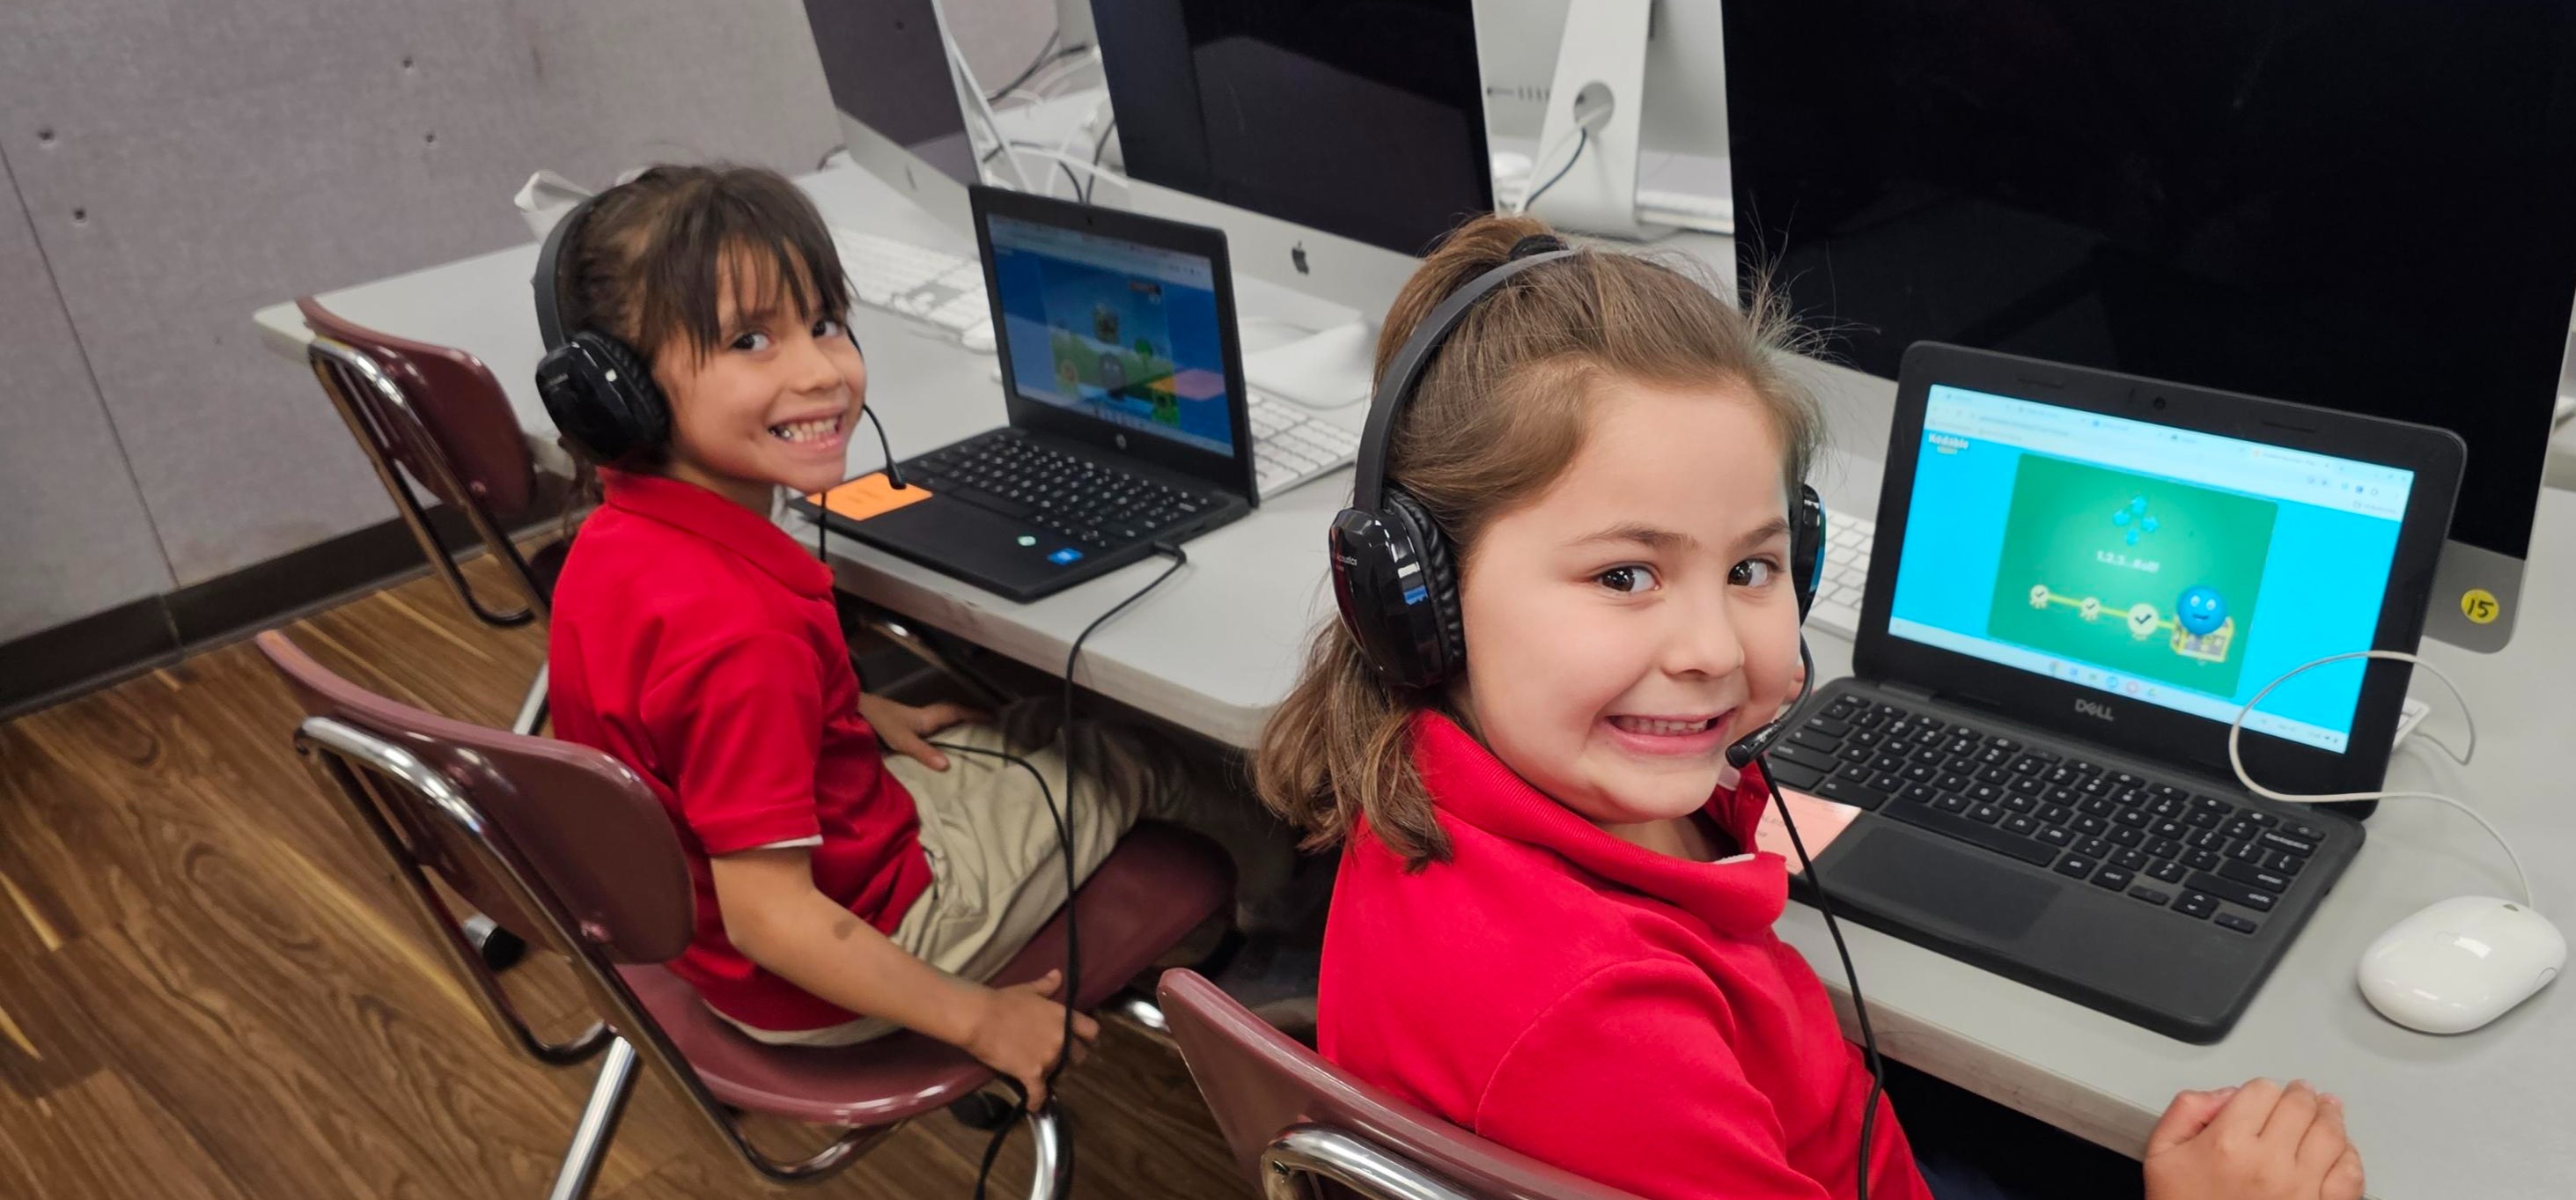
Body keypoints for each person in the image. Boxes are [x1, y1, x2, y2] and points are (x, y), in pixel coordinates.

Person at [1253, 211, 2366, 1200]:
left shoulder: (1436, 782)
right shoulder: (1600, 1030)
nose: (1708, 651)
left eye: (1750, 569)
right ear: (1417, 600)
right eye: (1624, 575)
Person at [540, 164, 1301, 1109]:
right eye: (749, 340)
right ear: (622, 395)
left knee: (1016, 717)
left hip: (711, 944)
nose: (819, 369)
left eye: (822, 323)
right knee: (1144, 746)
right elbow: (775, 918)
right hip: (846, 952)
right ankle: (1289, 945)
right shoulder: (742, 635)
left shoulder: (614, 540)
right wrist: (978, 1018)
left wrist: (836, 712)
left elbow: (666, 715)